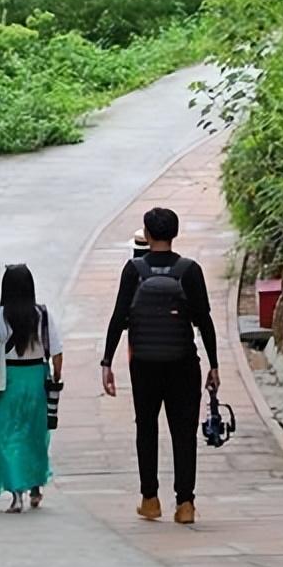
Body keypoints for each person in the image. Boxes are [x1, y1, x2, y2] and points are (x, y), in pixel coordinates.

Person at [100, 207, 219, 525]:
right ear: (174, 233)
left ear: (148, 234)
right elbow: (204, 321)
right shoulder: (189, 270)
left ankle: (150, 499)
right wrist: (215, 365)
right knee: (184, 433)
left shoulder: (134, 270)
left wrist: (106, 362)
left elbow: (118, 318)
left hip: (145, 363)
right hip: (183, 362)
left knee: (147, 428)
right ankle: (185, 504)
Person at [0, 264, 63, 513]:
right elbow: (56, 351)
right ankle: (35, 484)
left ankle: (16, 494)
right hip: (36, 379)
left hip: (8, 381)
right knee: (35, 435)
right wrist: (56, 377)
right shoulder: (42, 314)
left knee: (4, 437)